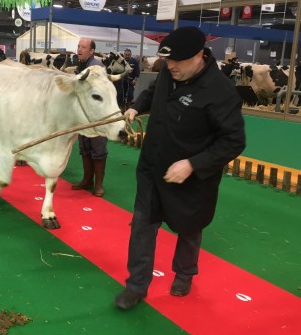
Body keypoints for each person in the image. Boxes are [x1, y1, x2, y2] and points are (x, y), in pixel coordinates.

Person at [115, 26, 246, 310]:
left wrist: (193, 164)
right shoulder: (169, 72)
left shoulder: (220, 91)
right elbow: (152, 92)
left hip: (191, 177)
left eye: (178, 62)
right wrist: (136, 106)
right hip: (152, 167)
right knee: (142, 224)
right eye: (168, 61)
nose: (171, 67)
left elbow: (234, 141)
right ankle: (136, 286)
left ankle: (184, 273)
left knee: (189, 226)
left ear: (200, 56)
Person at [72, 38, 109, 197]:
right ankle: (87, 180)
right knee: (85, 147)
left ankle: (99, 185)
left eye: (83, 47)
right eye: (79, 46)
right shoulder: (81, 65)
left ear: (92, 51)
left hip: (98, 116)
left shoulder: (96, 67)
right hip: (85, 115)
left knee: (98, 149)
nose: (79, 49)